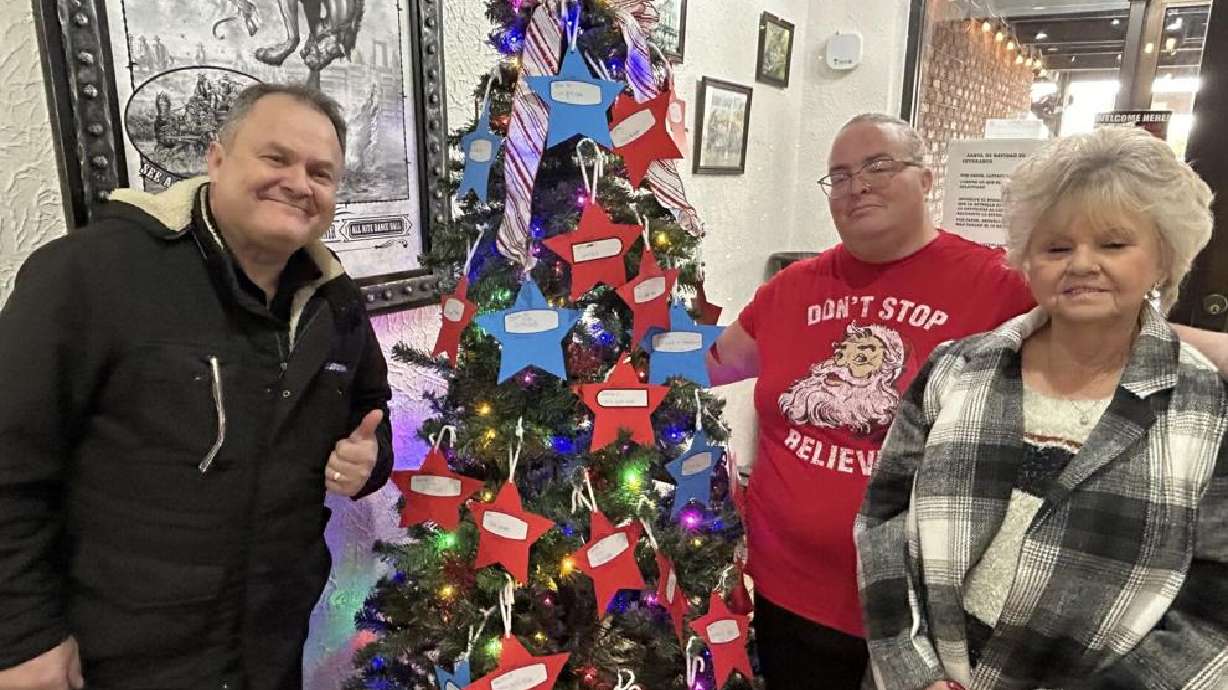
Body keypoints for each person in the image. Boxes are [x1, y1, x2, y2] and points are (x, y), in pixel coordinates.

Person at [0, 83, 394, 690]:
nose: (299, 182)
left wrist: (368, 458)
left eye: (322, 172)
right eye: (276, 158)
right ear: (216, 158)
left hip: (270, 648)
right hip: (118, 658)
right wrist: (22, 638)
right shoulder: (92, 272)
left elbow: (370, 411)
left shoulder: (335, 304)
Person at [856, 126, 1228, 690]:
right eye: (1057, 247)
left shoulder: (1208, 406)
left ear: (1163, 258)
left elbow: (1214, 610)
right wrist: (916, 674)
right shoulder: (956, 370)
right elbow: (883, 523)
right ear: (1028, 260)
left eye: (1112, 243)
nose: (1081, 263)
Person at [707, 113, 1037, 689]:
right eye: (839, 175)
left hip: (920, 612)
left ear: (926, 179)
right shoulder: (792, 289)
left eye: (878, 165)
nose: (857, 185)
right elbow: (708, 363)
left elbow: (1107, 339)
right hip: (789, 592)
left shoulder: (1000, 284)